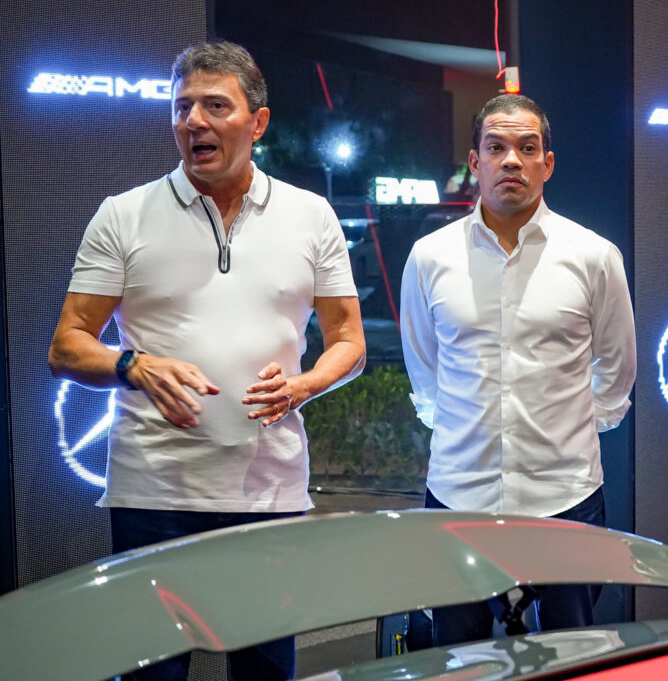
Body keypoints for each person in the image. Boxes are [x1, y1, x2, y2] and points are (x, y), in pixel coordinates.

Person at [47, 41, 366, 680]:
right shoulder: (123, 215)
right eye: (183, 107)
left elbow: (349, 342)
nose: (194, 121)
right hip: (152, 495)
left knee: (264, 672)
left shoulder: (310, 215)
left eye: (215, 106)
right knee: (152, 675)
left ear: (258, 121)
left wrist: (303, 385)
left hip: (270, 494)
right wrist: (134, 366)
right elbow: (67, 344)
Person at [400, 94, 636, 645]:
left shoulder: (594, 255)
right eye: (496, 147)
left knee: (572, 649)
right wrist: (460, 429)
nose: (512, 160)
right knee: (457, 656)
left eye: (527, 148)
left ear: (547, 164)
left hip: (566, 495)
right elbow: (424, 368)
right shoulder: (430, 257)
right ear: (474, 162)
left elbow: (617, 366)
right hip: (459, 493)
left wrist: (569, 433)